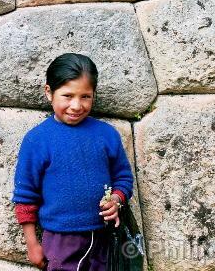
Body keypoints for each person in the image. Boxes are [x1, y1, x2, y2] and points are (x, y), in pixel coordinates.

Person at [12, 53, 135, 271]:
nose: (76, 105)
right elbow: (25, 198)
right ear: (49, 92)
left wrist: (116, 199)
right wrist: (32, 244)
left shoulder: (107, 135)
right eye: (67, 96)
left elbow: (123, 177)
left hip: (106, 236)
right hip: (61, 241)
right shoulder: (37, 140)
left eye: (85, 96)